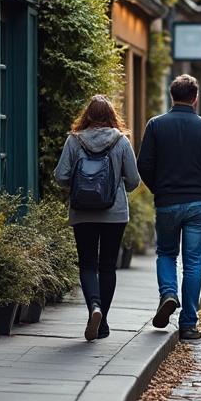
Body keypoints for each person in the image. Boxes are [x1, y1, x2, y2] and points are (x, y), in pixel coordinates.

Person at [137, 75, 201, 341]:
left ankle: (168, 293)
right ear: (196, 98)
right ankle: (188, 324)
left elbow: (144, 165)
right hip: (198, 203)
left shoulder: (156, 126)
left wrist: (159, 189)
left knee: (166, 252)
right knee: (193, 265)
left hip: (167, 202)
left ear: (171, 95)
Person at [53, 95, 141, 341]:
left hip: (82, 212)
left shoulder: (74, 141)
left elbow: (61, 176)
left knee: (88, 264)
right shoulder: (121, 142)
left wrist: (79, 185)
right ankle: (103, 324)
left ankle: (94, 307)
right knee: (108, 266)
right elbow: (134, 181)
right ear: (112, 115)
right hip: (114, 212)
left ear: (87, 115)